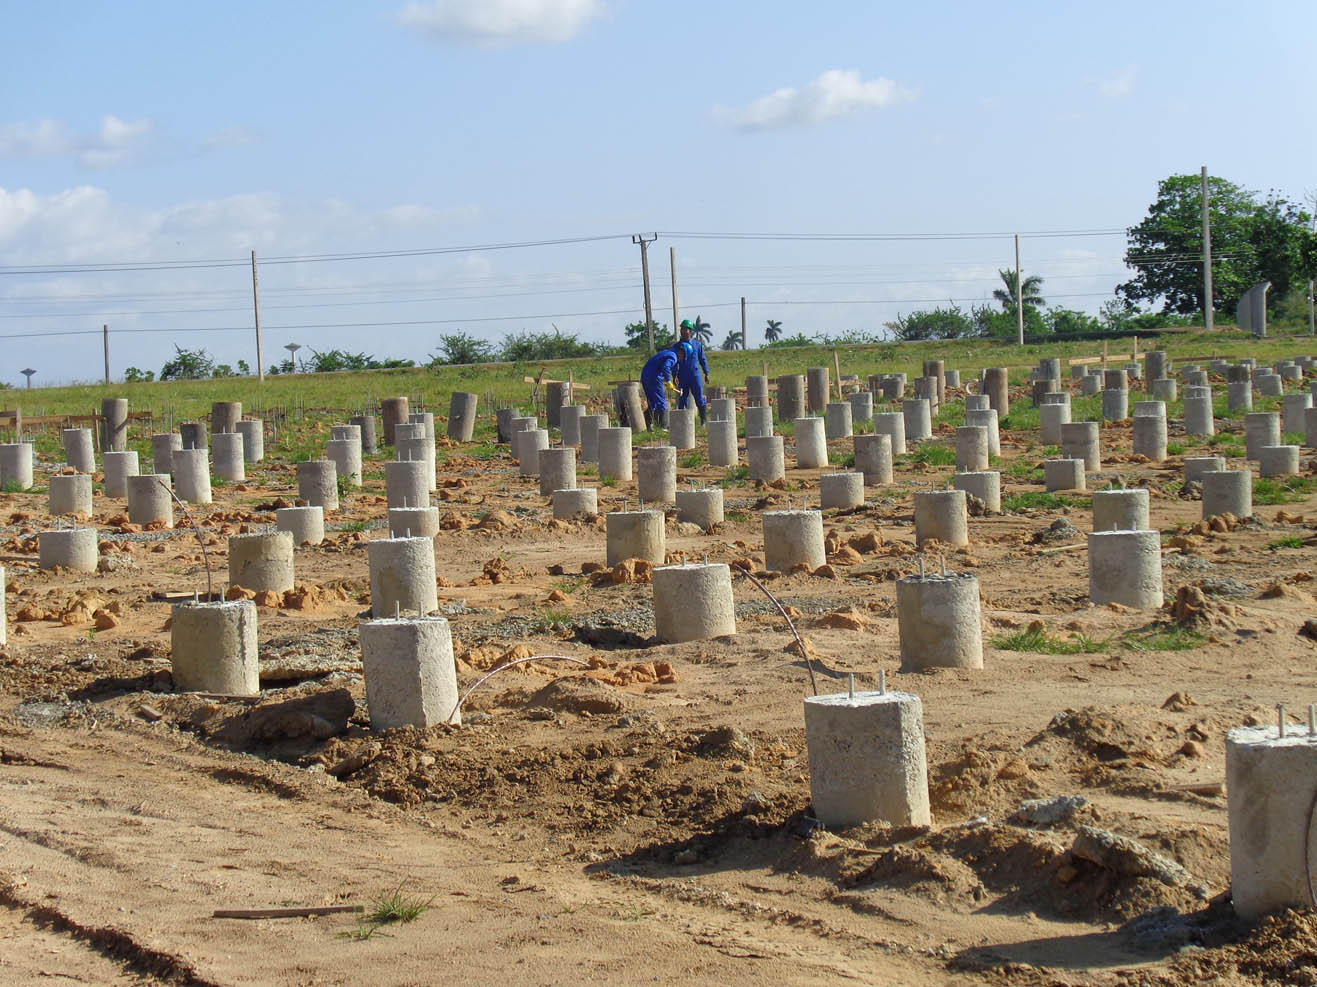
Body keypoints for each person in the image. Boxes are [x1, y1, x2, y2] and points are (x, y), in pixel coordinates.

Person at [639, 345, 682, 430]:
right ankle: (663, 426)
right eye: (683, 356)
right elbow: (666, 367)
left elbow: (669, 366)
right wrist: (668, 381)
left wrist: (674, 376)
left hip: (645, 375)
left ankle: (649, 426)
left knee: (652, 402)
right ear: (680, 353)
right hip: (654, 377)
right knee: (661, 401)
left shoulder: (667, 353)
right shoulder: (673, 356)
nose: (682, 359)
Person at [675, 319, 710, 423]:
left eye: (685, 329)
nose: (682, 331)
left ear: (690, 331)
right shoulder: (677, 346)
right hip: (682, 376)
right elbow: (674, 362)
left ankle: (703, 421)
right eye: (681, 329)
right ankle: (682, 422)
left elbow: (702, 359)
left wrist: (706, 373)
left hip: (695, 375)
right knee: (682, 398)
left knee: (699, 397)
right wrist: (674, 375)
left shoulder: (697, 345)